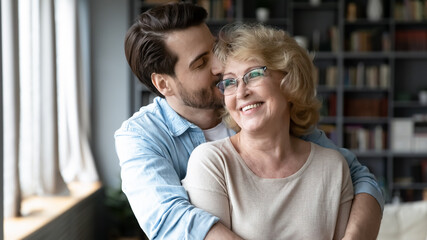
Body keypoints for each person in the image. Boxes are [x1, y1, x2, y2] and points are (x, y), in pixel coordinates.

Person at [115, 2, 383, 240]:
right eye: (200, 63)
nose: (220, 68)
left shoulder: (262, 109)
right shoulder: (140, 137)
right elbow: (170, 221)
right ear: (164, 84)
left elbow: (355, 176)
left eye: (214, 51)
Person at [182, 22, 354, 239]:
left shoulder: (333, 167)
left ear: (288, 79)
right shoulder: (212, 162)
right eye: (230, 82)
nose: (241, 92)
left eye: (253, 74)